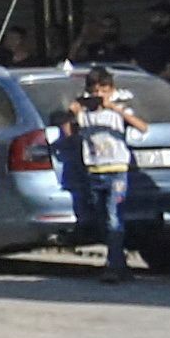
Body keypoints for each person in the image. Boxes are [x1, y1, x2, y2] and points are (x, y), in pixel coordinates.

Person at [61, 65, 142, 285]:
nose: (99, 96)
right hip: (94, 171)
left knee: (114, 216)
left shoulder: (117, 111)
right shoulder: (85, 115)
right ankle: (119, 261)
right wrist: (71, 114)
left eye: (103, 90)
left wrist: (114, 108)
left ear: (111, 90)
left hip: (116, 170)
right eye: (94, 91)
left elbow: (142, 127)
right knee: (102, 219)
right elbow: (68, 134)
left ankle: (113, 266)